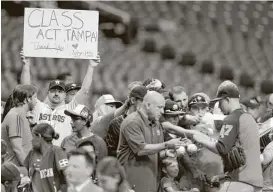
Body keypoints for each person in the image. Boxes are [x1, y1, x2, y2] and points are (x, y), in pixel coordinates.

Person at [192, 80, 263, 192]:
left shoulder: (232, 118)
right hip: (256, 183)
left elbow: (222, 148)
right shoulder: (249, 118)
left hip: (240, 182)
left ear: (227, 99)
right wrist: (223, 176)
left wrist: (201, 139)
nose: (219, 107)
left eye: (220, 102)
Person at [20, 51, 101, 146]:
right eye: (53, 90)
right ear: (48, 93)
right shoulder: (38, 107)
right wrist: (26, 65)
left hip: (61, 153)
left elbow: (84, 90)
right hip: (41, 153)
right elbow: (26, 88)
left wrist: (91, 67)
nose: (56, 94)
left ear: (65, 95)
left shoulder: (69, 109)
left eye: (60, 91)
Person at [117, 91, 184, 192]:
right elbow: (141, 150)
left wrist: (166, 152)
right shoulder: (132, 122)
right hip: (132, 183)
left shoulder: (156, 123)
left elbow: (156, 152)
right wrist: (166, 145)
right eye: (159, 107)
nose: (162, 111)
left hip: (151, 182)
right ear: (148, 105)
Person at [24, 123, 68, 192]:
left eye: (33, 137)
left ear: (39, 136)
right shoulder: (32, 153)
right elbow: (23, 171)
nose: (31, 140)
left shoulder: (57, 151)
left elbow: (68, 177)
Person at [106, 85, 148, 156]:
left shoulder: (149, 123)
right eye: (143, 101)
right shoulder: (116, 123)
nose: (147, 106)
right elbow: (110, 152)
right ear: (133, 100)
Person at [1, 85, 37, 166]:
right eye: (35, 97)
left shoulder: (20, 115)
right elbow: (17, 148)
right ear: (28, 98)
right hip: (17, 170)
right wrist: (29, 168)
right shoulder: (16, 116)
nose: (36, 101)